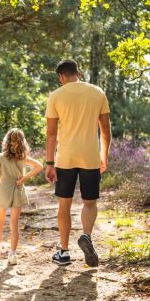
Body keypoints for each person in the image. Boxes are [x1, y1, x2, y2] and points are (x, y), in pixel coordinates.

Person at [45, 59, 111, 267]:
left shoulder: (56, 95)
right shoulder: (98, 92)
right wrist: (104, 156)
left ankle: (64, 253)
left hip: (65, 157)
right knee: (89, 202)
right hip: (90, 156)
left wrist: (49, 162)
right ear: (78, 73)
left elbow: (51, 133)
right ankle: (87, 236)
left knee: (65, 203)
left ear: (61, 76)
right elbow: (106, 131)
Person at [0, 128, 43, 264]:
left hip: (4, 189)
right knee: (14, 223)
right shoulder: (23, 157)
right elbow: (39, 166)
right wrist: (24, 179)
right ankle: (12, 255)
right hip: (18, 188)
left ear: (7, 141)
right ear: (22, 142)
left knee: (0, 220)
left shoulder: (0, 157)